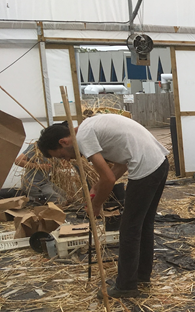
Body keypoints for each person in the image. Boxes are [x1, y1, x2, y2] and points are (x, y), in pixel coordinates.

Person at [38, 115, 169, 299]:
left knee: (129, 228)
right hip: (159, 163)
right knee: (143, 224)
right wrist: (97, 187)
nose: (66, 160)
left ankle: (126, 286)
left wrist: (96, 204)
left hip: (146, 168)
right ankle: (140, 276)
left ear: (64, 141)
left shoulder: (83, 137)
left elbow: (109, 179)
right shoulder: (89, 127)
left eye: (62, 155)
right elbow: (120, 164)